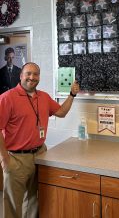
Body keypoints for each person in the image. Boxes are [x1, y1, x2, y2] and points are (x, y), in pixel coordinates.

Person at [0, 62, 80, 218]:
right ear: (21, 75)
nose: (32, 77)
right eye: (28, 73)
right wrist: (5, 159)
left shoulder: (43, 97)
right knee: (13, 203)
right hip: (16, 158)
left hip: (40, 155)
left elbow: (62, 112)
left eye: (36, 74)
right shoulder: (6, 98)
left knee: (35, 199)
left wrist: (72, 95)